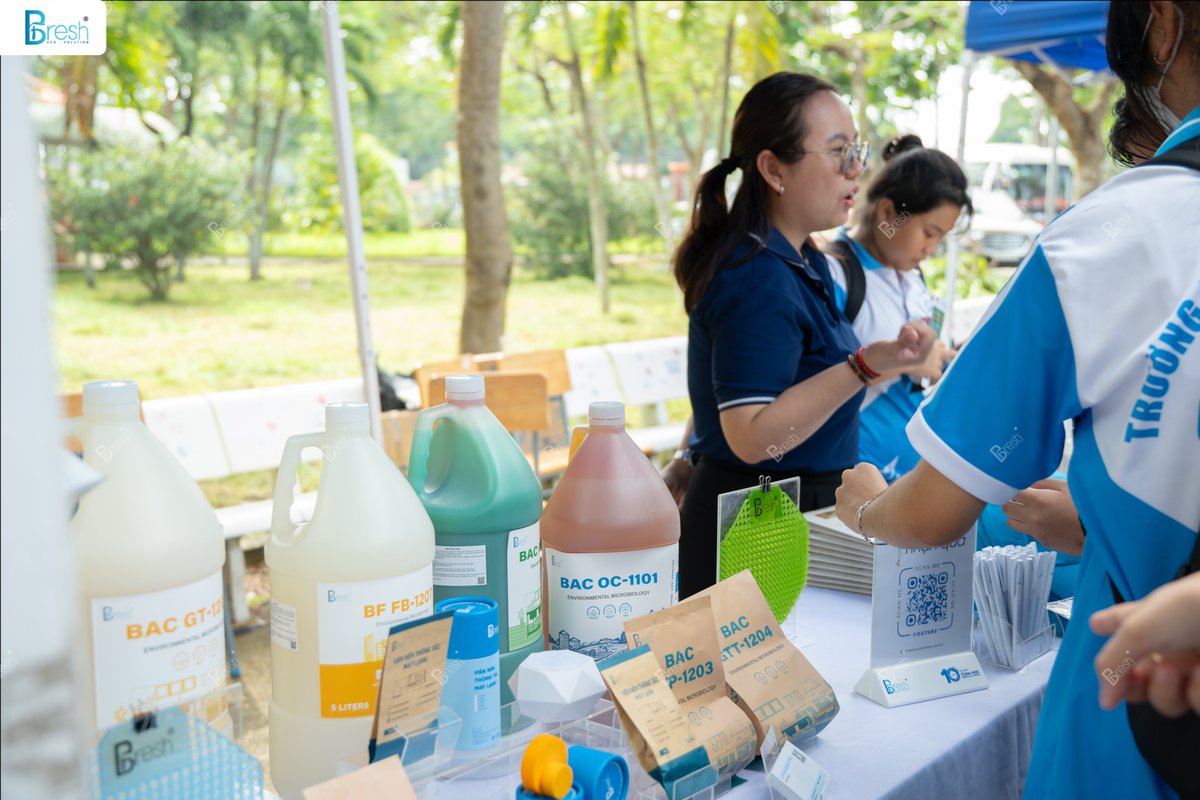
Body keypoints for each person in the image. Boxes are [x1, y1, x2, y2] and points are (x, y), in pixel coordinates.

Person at [834, 1, 1200, 797]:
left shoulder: (1110, 238)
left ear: (1161, 25)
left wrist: (866, 510)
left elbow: (928, 517)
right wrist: (1106, 527)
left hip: (1134, 735)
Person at [670, 72, 936, 599]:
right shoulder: (757, 278)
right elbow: (750, 434)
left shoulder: (800, 258)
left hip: (779, 513)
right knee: (741, 678)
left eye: (856, 149)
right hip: (754, 518)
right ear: (773, 168)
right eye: (838, 152)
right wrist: (864, 366)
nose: (856, 169)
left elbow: (723, 388)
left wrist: (688, 456)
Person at [827, 135, 1080, 600]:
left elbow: (922, 354)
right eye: (928, 232)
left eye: (941, 237)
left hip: (914, 471)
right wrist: (900, 362)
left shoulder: (911, 278)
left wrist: (943, 359)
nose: (931, 247)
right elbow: (822, 378)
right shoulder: (836, 272)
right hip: (855, 469)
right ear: (888, 214)